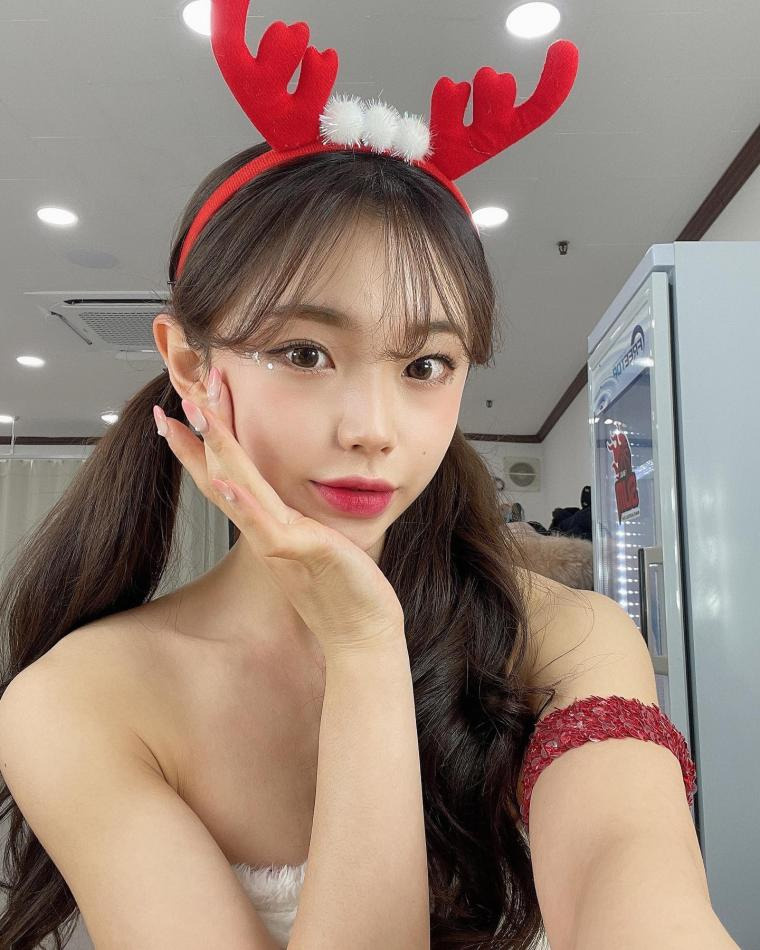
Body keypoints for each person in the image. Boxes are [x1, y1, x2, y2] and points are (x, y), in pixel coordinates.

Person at [0, 8, 731, 950]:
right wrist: (362, 647)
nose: (374, 430)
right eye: (304, 352)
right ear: (189, 365)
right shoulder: (81, 699)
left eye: (425, 365)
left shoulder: (562, 640)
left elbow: (638, 891)